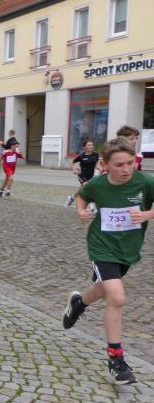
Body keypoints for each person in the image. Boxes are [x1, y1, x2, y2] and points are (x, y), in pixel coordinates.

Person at [62, 139, 154, 384]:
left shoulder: (145, 182)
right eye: (119, 165)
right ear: (105, 165)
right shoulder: (98, 184)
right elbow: (83, 196)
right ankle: (116, 360)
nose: (126, 169)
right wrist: (81, 211)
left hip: (128, 248)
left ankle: (78, 303)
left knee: (104, 288)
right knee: (117, 296)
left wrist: (147, 213)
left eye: (130, 163)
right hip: (102, 246)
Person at [65, 139, 99, 207]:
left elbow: (98, 163)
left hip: (92, 175)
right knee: (86, 185)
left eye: (92, 145)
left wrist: (98, 169)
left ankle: (72, 198)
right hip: (82, 174)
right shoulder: (81, 156)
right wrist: (74, 169)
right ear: (84, 147)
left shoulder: (96, 155)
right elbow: (71, 162)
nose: (91, 146)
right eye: (89, 145)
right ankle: (91, 205)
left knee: (83, 189)